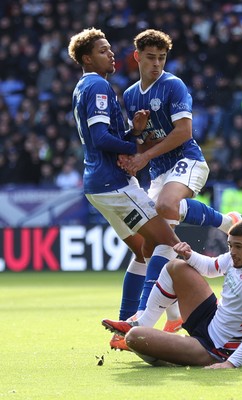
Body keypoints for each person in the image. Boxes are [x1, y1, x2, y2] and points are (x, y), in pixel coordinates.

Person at [68, 27, 183, 349]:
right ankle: (144, 323)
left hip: (98, 185)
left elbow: (98, 136)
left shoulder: (83, 86)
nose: (111, 54)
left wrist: (133, 132)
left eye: (110, 49)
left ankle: (129, 329)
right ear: (87, 58)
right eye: (103, 50)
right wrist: (138, 148)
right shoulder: (98, 85)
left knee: (143, 251)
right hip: (114, 183)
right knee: (170, 245)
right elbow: (101, 138)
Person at [118, 28, 242, 323]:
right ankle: (166, 315)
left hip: (188, 160)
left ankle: (227, 222)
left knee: (164, 207)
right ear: (137, 57)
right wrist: (135, 139)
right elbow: (143, 139)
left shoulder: (173, 86)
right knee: (144, 245)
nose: (156, 64)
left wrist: (143, 157)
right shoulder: (131, 95)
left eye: (161, 58)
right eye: (150, 58)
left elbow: (184, 131)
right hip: (160, 173)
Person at [102, 219, 242, 368]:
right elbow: (210, 268)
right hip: (211, 318)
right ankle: (143, 321)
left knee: (134, 338)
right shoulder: (237, 256)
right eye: (230, 245)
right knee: (175, 266)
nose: (232, 252)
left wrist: (231, 363)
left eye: (238, 246)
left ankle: (172, 355)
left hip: (215, 348)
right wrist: (188, 254)